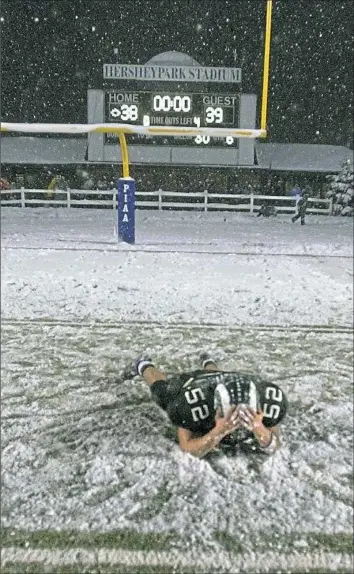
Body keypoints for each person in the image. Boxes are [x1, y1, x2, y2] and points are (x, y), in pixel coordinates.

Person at [125, 353, 288, 459]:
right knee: (163, 393)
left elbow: (274, 446)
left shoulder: (264, 401)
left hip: (221, 380)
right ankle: (144, 365)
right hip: (194, 383)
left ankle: (209, 362)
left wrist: (259, 427)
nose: (240, 417)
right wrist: (219, 432)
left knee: (217, 375)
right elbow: (188, 448)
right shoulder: (192, 404)